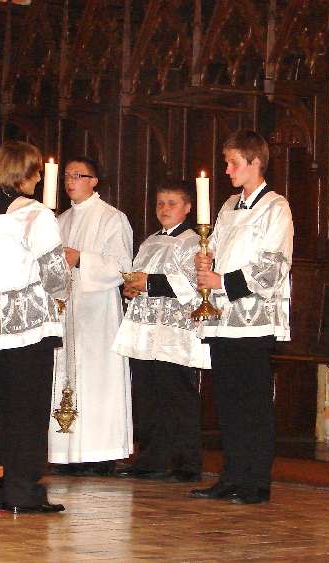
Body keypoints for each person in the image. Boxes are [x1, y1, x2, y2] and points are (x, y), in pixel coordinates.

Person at [191, 129, 293, 505]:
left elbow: (273, 267)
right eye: (226, 163)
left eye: (233, 163)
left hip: (253, 319)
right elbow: (215, 248)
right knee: (228, 401)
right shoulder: (229, 206)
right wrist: (204, 260)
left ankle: (255, 481)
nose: (227, 170)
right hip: (223, 318)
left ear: (255, 162)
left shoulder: (275, 207)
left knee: (252, 402)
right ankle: (231, 476)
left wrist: (222, 281)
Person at [0, 140, 70, 513]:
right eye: (36, 171)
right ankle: (23, 490)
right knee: (28, 409)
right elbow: (56, 276)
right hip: (29, 323)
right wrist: (62, 293)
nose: (39, 178)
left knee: (1, 409)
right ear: (25, 172)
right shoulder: (36, 214)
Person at [113, 181, 211, 483]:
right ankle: (150, 459)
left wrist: (149, 283)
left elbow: (194, 283)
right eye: (160, 203)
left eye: (172, 203)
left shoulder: (193, 242)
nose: (164, 209)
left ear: (188, 207)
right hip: (145, 331)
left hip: (173, 332)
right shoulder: (150, 241)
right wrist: (131, 288)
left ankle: (186, 463)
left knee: (176, 396)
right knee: (147, 396)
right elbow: (138, 276)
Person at [47, 156, 133, 476]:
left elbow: (122, 266)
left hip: (98, 313)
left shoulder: (112, 218)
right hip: (67, 310)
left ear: (94, 181)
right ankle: (66, 453)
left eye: (78, 175)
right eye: (67, 176)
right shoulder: (60, 220)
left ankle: (100, 454)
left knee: (97, 380)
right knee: (66, 376)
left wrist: (81, 259)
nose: (70, 181)